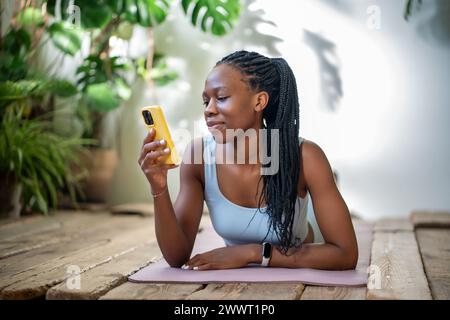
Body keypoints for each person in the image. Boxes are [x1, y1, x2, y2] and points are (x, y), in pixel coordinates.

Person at [138, 50, 358, 271]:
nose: (209, 110)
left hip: (309, 243)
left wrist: (252, 253)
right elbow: (177, 257)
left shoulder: (306, 156)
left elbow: (345, 254)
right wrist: (159, 187)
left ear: (259, 101)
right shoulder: (199, 157)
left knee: (319, 207)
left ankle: (328, 183)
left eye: (221, 98)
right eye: (206, 101)